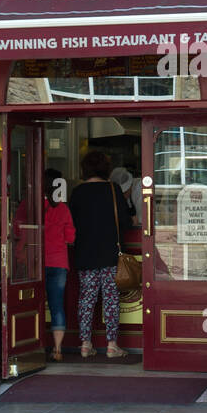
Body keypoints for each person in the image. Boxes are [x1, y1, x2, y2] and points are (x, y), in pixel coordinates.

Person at [70, 151, 133, 358]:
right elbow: (125, 223)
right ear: (106, 169)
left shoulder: (78, 193)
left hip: (85, 254)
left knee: (86, 299)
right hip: (110, 255)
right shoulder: (113, 190)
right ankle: (112, 345)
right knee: (111, 299)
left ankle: (85, 344)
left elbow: (71, 226)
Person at [41, 168, 75, 361]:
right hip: (59, 262)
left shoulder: (32, 205)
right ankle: (58, 349)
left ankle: (31, 347)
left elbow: (18, 229)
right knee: (56, 305)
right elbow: (70, 237)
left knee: (33, 305)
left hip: (35, 262)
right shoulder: (62, 208)